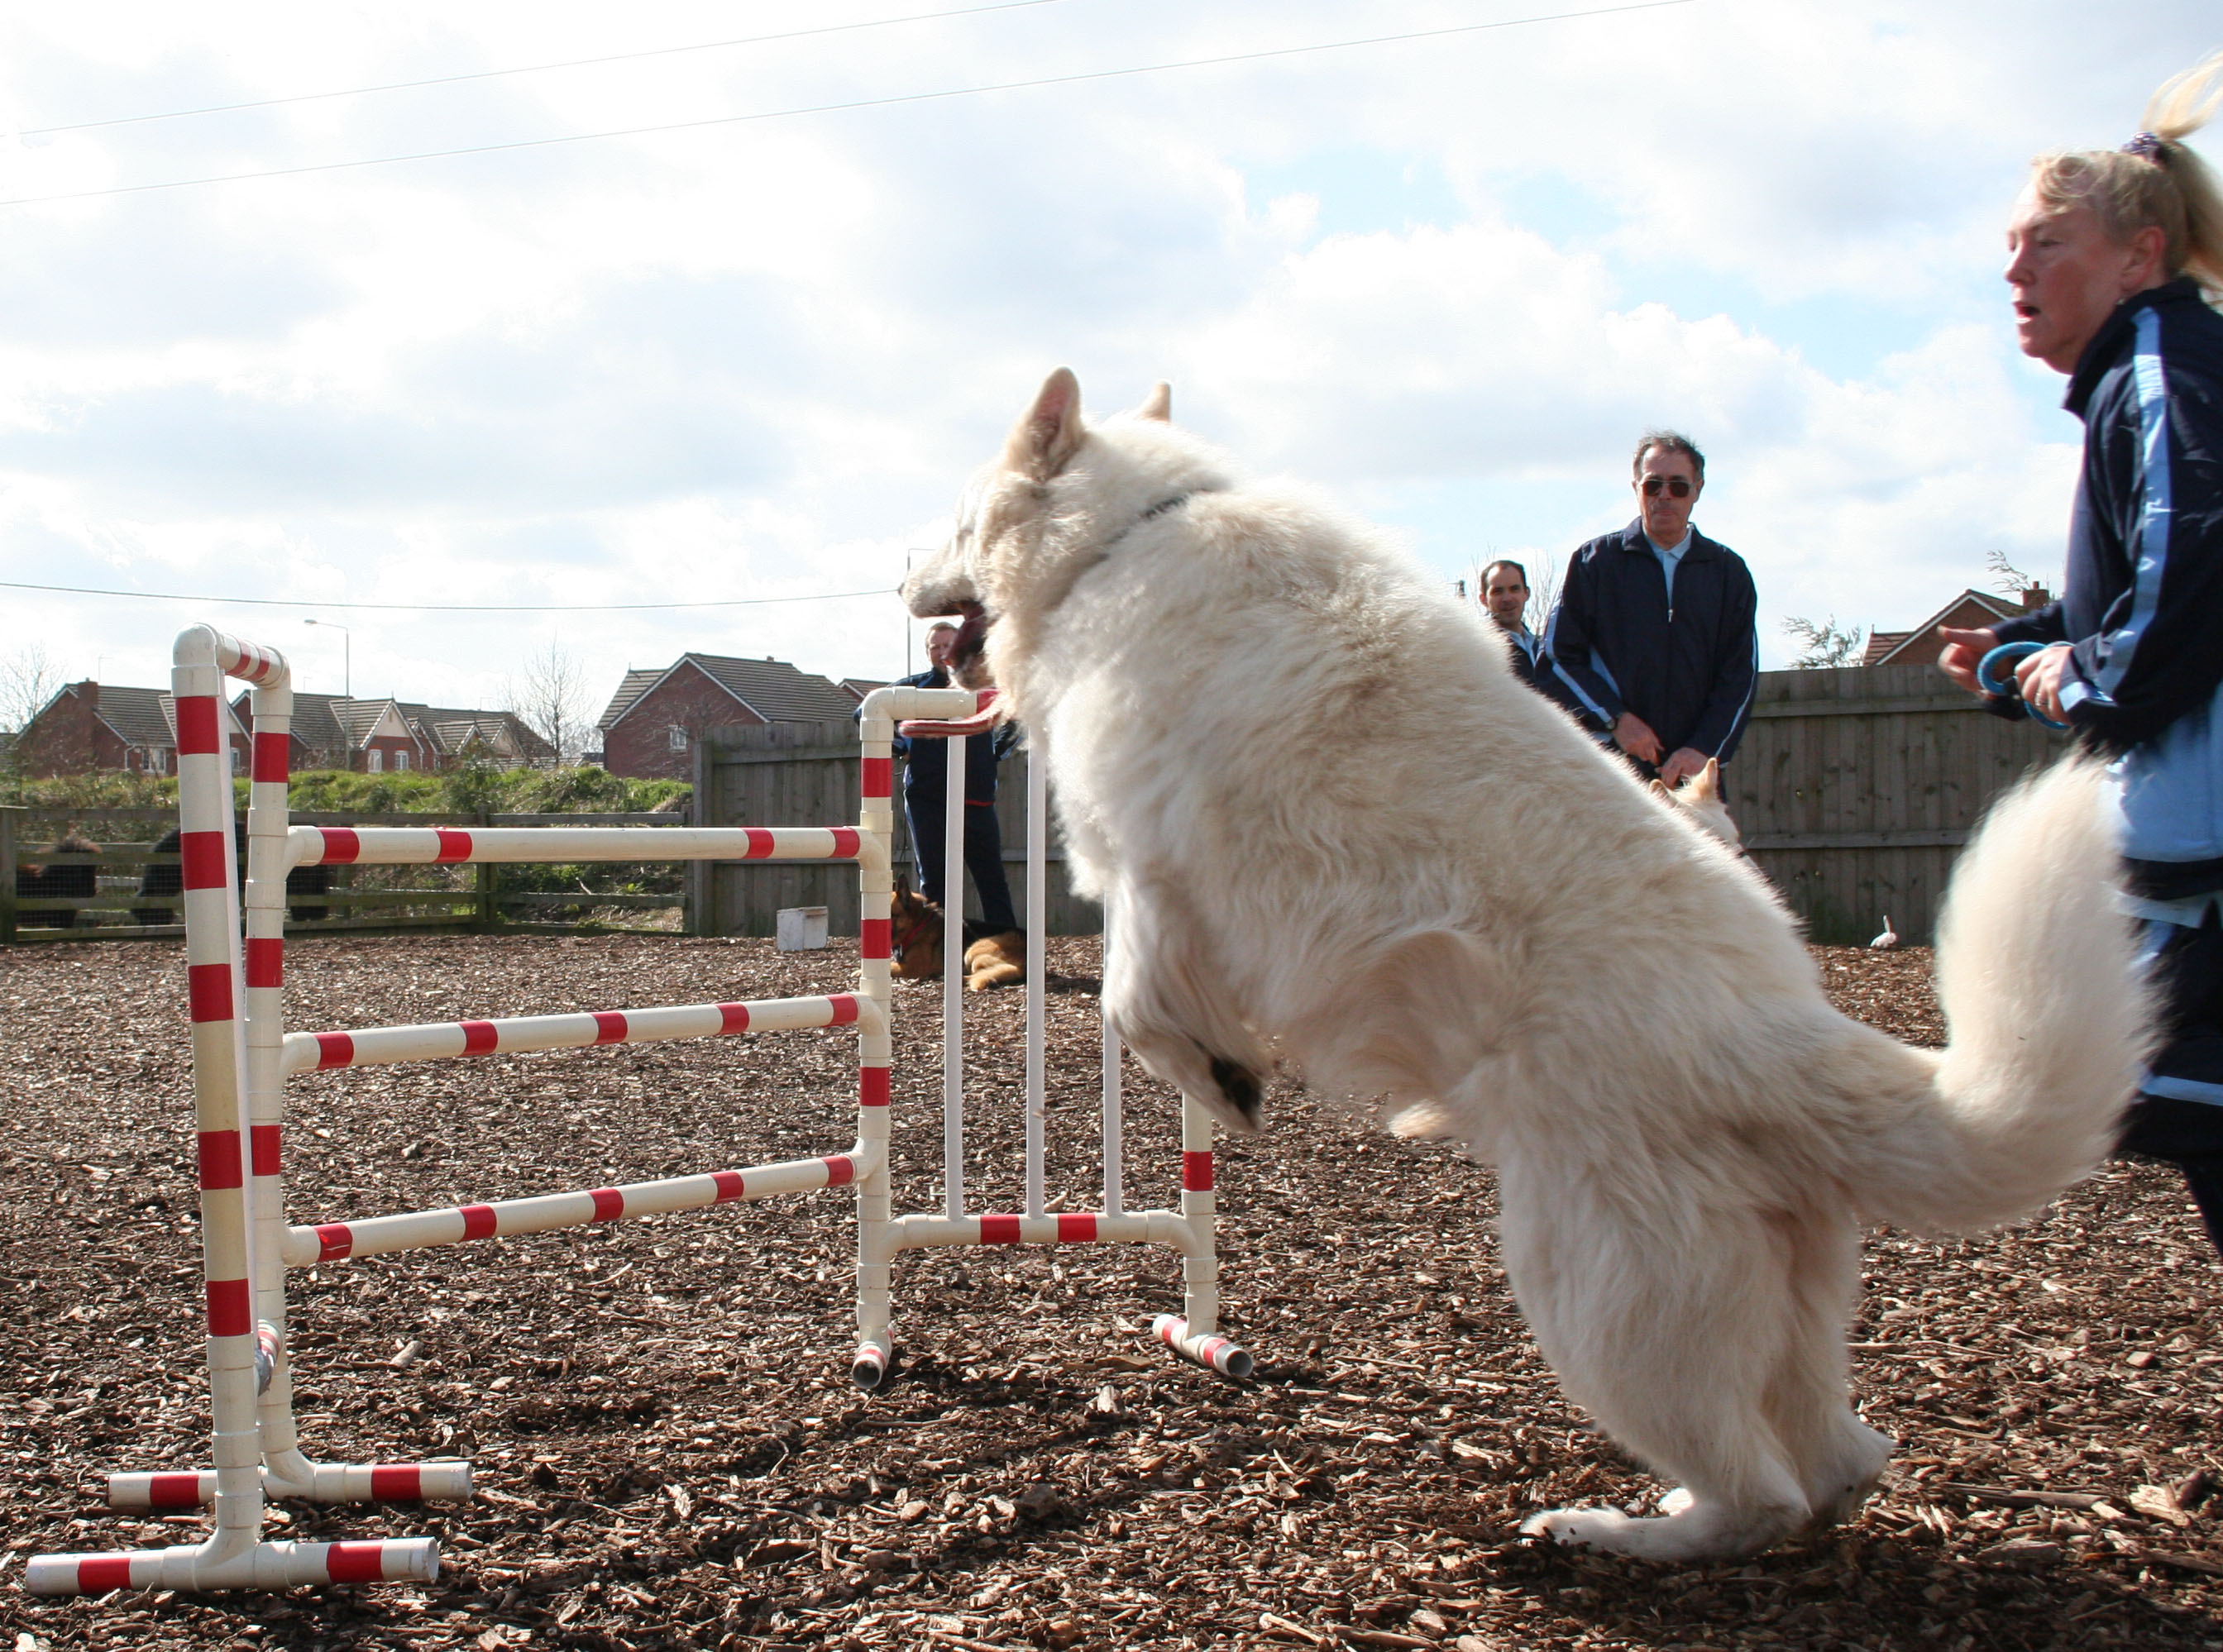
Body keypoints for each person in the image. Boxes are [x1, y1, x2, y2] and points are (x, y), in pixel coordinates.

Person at [1935, 53, 2223, 1253]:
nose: (2014, 268)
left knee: (2098, 1093)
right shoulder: (2155, 370)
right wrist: (2025, 650)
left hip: (2199, 846)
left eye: (2046, 241)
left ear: (2137, 256)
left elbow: (2190, 563)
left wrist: (2081, 676)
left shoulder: (2161, 376)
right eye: (2012, 244)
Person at [1546, 432, 1758, 788]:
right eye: (1652, 485)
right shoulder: (1594, 563)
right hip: (1610, 769)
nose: (1664, 496)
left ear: (1698, 489)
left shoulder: (1727, 572)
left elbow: (1740, 676)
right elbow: (1557, 657)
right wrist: (1616, 719)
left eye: (1678, 486)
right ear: (1636, 487)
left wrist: (1702, 749)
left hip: (1694, 777)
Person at [890, 621, 1020, 938]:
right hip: (928, 800)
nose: (942, 651)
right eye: (935, 646)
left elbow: (1015, 719)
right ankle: (939, 952)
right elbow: (866, 713)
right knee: (934, 881)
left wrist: (992, 755)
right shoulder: (913, 689)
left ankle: (1008, 948)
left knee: (991, 880)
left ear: (961, 647)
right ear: (928, 652)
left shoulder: (985, 687)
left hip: (975, 799)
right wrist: (902, 745)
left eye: (948, 644)